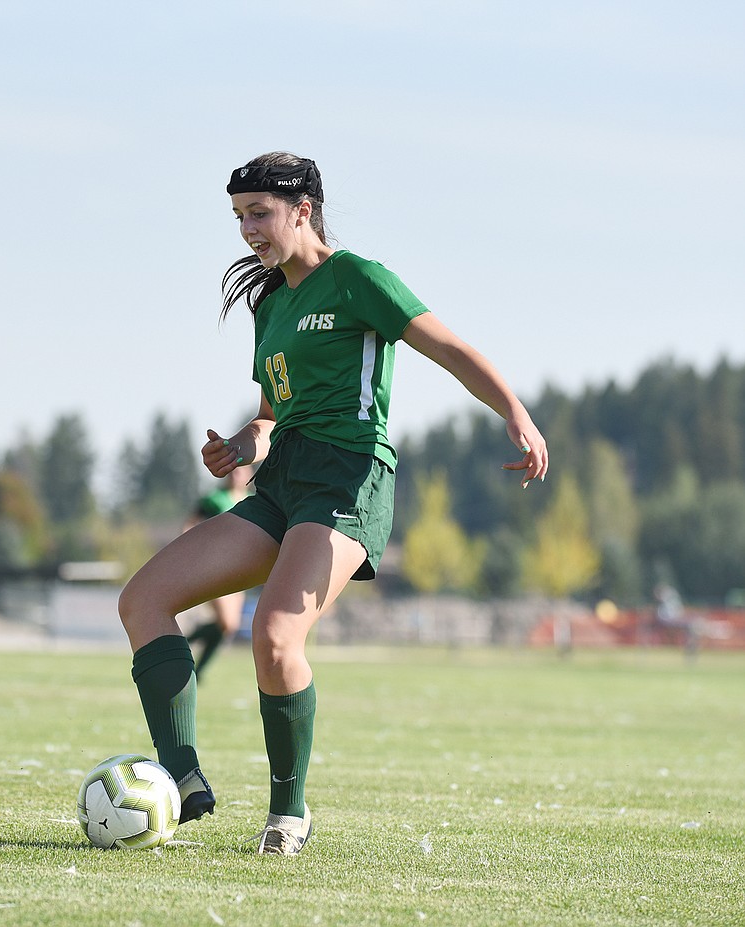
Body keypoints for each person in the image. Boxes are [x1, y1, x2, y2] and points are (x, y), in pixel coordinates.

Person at [118, 153, 549, 855]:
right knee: (141, 599)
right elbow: (270, 415)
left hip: (350, 482)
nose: (248, 230)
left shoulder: (358, 279)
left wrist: (516, 414)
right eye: (238, 217)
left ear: (303, 210)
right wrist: (241, 446)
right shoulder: (271, 304)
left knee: (276, 636)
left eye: (259, 213)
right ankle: (181, 776)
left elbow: (453, 349)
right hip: (283, 481)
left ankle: (289, 813)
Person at [182, 465, 254, 677]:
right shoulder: (214, 499)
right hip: (213, 566)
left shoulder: (254, 503)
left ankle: (196, 670)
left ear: (249, 475)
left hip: (240, 571)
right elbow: (189, 525)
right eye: (232, 471)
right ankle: (178, 651)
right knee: (225, 620)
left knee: (229, 626)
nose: (235, 475)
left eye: (240, 471)